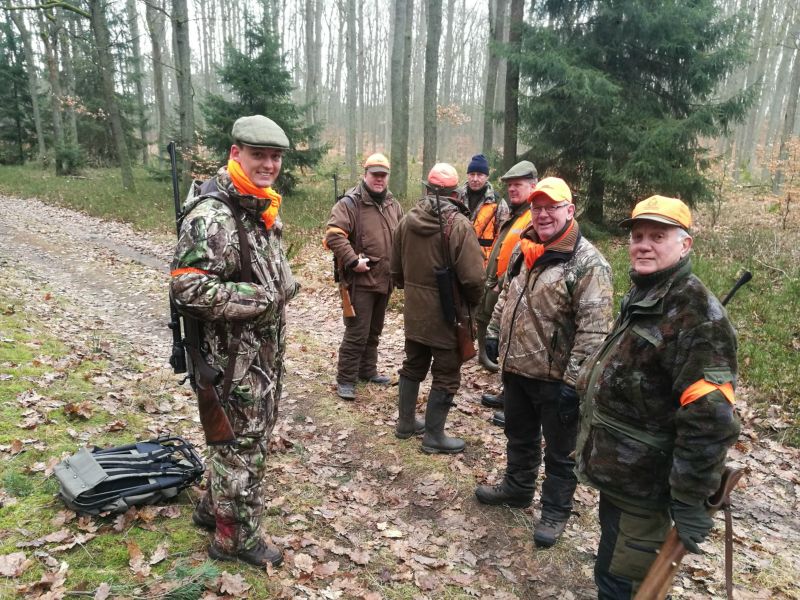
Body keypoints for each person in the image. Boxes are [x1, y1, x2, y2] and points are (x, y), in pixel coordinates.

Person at [574, 196, 741, 598]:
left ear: (685, 245)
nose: (644, 245)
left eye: (658, 237)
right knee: (613, 566)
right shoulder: (649, 294)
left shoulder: (697, 315)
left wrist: (690, 499)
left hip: (648, 486)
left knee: (624, 583)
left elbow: (710, 419)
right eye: (638, 236)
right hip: (622, 475)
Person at [170, 115, 299, 567]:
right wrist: (257, 297)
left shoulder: (257, 206)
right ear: (235, 154)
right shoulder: (214, 216)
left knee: (239, 441)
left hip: (258, 354)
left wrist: (282, 286)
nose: (268, 164)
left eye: (275, 157)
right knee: (242, 446)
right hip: (232, 361)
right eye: (258, 155)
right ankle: (235, 541)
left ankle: (213, 509)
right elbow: (186, 287)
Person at [475, 177, 613, 548]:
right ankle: (517, 488)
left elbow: (595, 331)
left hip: (557, 379)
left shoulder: (588, 263)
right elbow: (508, 294)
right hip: (516, 368)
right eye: (538, 207)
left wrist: (574, 383)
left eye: (552, 207)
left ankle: (554, 511)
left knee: (560, 451)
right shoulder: (525, 248)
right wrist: (493, 332)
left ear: (570, 210)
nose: (543, 214)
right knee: (519, 435)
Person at [391, 163, 485, 453]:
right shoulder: (458, 225)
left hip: (414, 313)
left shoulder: (406, 220)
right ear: (455, 193)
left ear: (427, 189)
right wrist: (473, 303)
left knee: (413, 364)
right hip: (448, 316)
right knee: (446, 373)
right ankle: (434, 436)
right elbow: (473, 279)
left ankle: (405, 423)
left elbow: (395, 272)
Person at [324, 153, 404, 400]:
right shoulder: (349, 204)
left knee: (374, 331)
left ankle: (367, 371)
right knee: (357, 333)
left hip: (385, 279)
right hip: (360, 280)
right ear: (365, 175)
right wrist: (352, 261)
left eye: (383, 175)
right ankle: (346, 379)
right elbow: (334, 235)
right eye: (375, 175)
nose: (379, 179)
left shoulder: (393, 204)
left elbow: (402, 237)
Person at [476, 160, 538, 393]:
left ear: (533, 186)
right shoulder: (515, 214)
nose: (512, 189)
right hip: (495, 285)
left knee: (512, 338)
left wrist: (502, 283)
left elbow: (526, 259)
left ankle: (509, 393)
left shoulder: (533, 217)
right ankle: (502, 383)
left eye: (518, 184)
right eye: (510, 185)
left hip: (511, 289)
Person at [457, 153, 509, 267]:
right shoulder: (457, 197)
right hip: (457, 260)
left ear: (487, 177)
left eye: (479, 175)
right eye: (472, 174)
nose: (475, 179)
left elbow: (503, 238)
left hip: (483, 264)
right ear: (467, 175)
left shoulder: (498, 203)